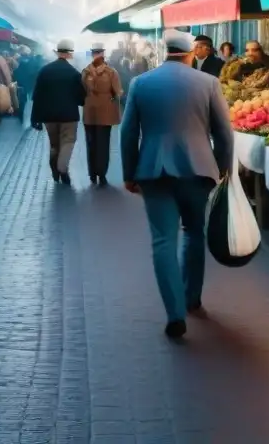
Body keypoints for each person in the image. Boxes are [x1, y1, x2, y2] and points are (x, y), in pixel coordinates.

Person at [120, 30, 232, 339]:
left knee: (162, 241)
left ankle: (174, 312)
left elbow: (128, 133)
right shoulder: (209, 83)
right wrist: (223, 169)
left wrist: (129, 173)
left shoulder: (140, 83)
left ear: (164, 50)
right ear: (191, 52)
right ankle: (192, 298)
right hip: (198, 171)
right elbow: (224, 133)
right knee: (195, 233)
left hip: (154, 171)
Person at [31, 39, 87, 185]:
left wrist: (34, 118)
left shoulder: (45, 71)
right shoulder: (74, 73)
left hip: (49, 116)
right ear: (69, 55)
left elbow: (37, 96)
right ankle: (62, 168)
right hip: (69, 116)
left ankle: (55, 170)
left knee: (54, 144)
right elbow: (81, 98)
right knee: (68, 141)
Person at [82, 43, 123, 185]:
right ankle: (96, 174)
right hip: (96, 112)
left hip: (98, 113)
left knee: (98, 144)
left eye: (98, 52)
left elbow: (118, 92)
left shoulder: (106, 72)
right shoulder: (89, 72)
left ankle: (98, 173)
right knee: (96, 143)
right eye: (95, 52)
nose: (97, 55)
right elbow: (118, 92)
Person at [12, 46, 40, 121]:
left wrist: (17, 80)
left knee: (22, 99)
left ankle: (21, 115)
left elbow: (17, 72)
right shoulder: (33, 60)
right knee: (31, 99)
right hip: (32, 83)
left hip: (23, 83)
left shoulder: (20, 60)